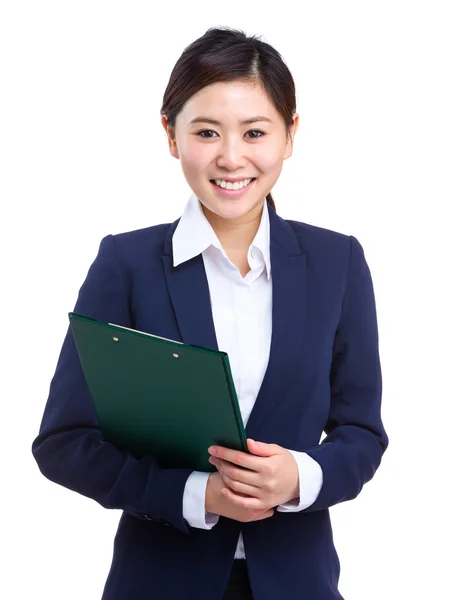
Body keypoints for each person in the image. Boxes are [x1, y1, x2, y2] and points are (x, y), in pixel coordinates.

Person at [32, 26, 388, 600]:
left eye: (254, 132)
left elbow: (361, 433)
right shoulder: (125, 263)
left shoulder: (337, 262)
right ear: (171, 135)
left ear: (290, 133)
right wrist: (196, 495)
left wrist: (301, 477)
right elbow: (64, 441)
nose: (231, 157)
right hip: (158, 582)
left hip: (298, 582)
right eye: (205, 131)